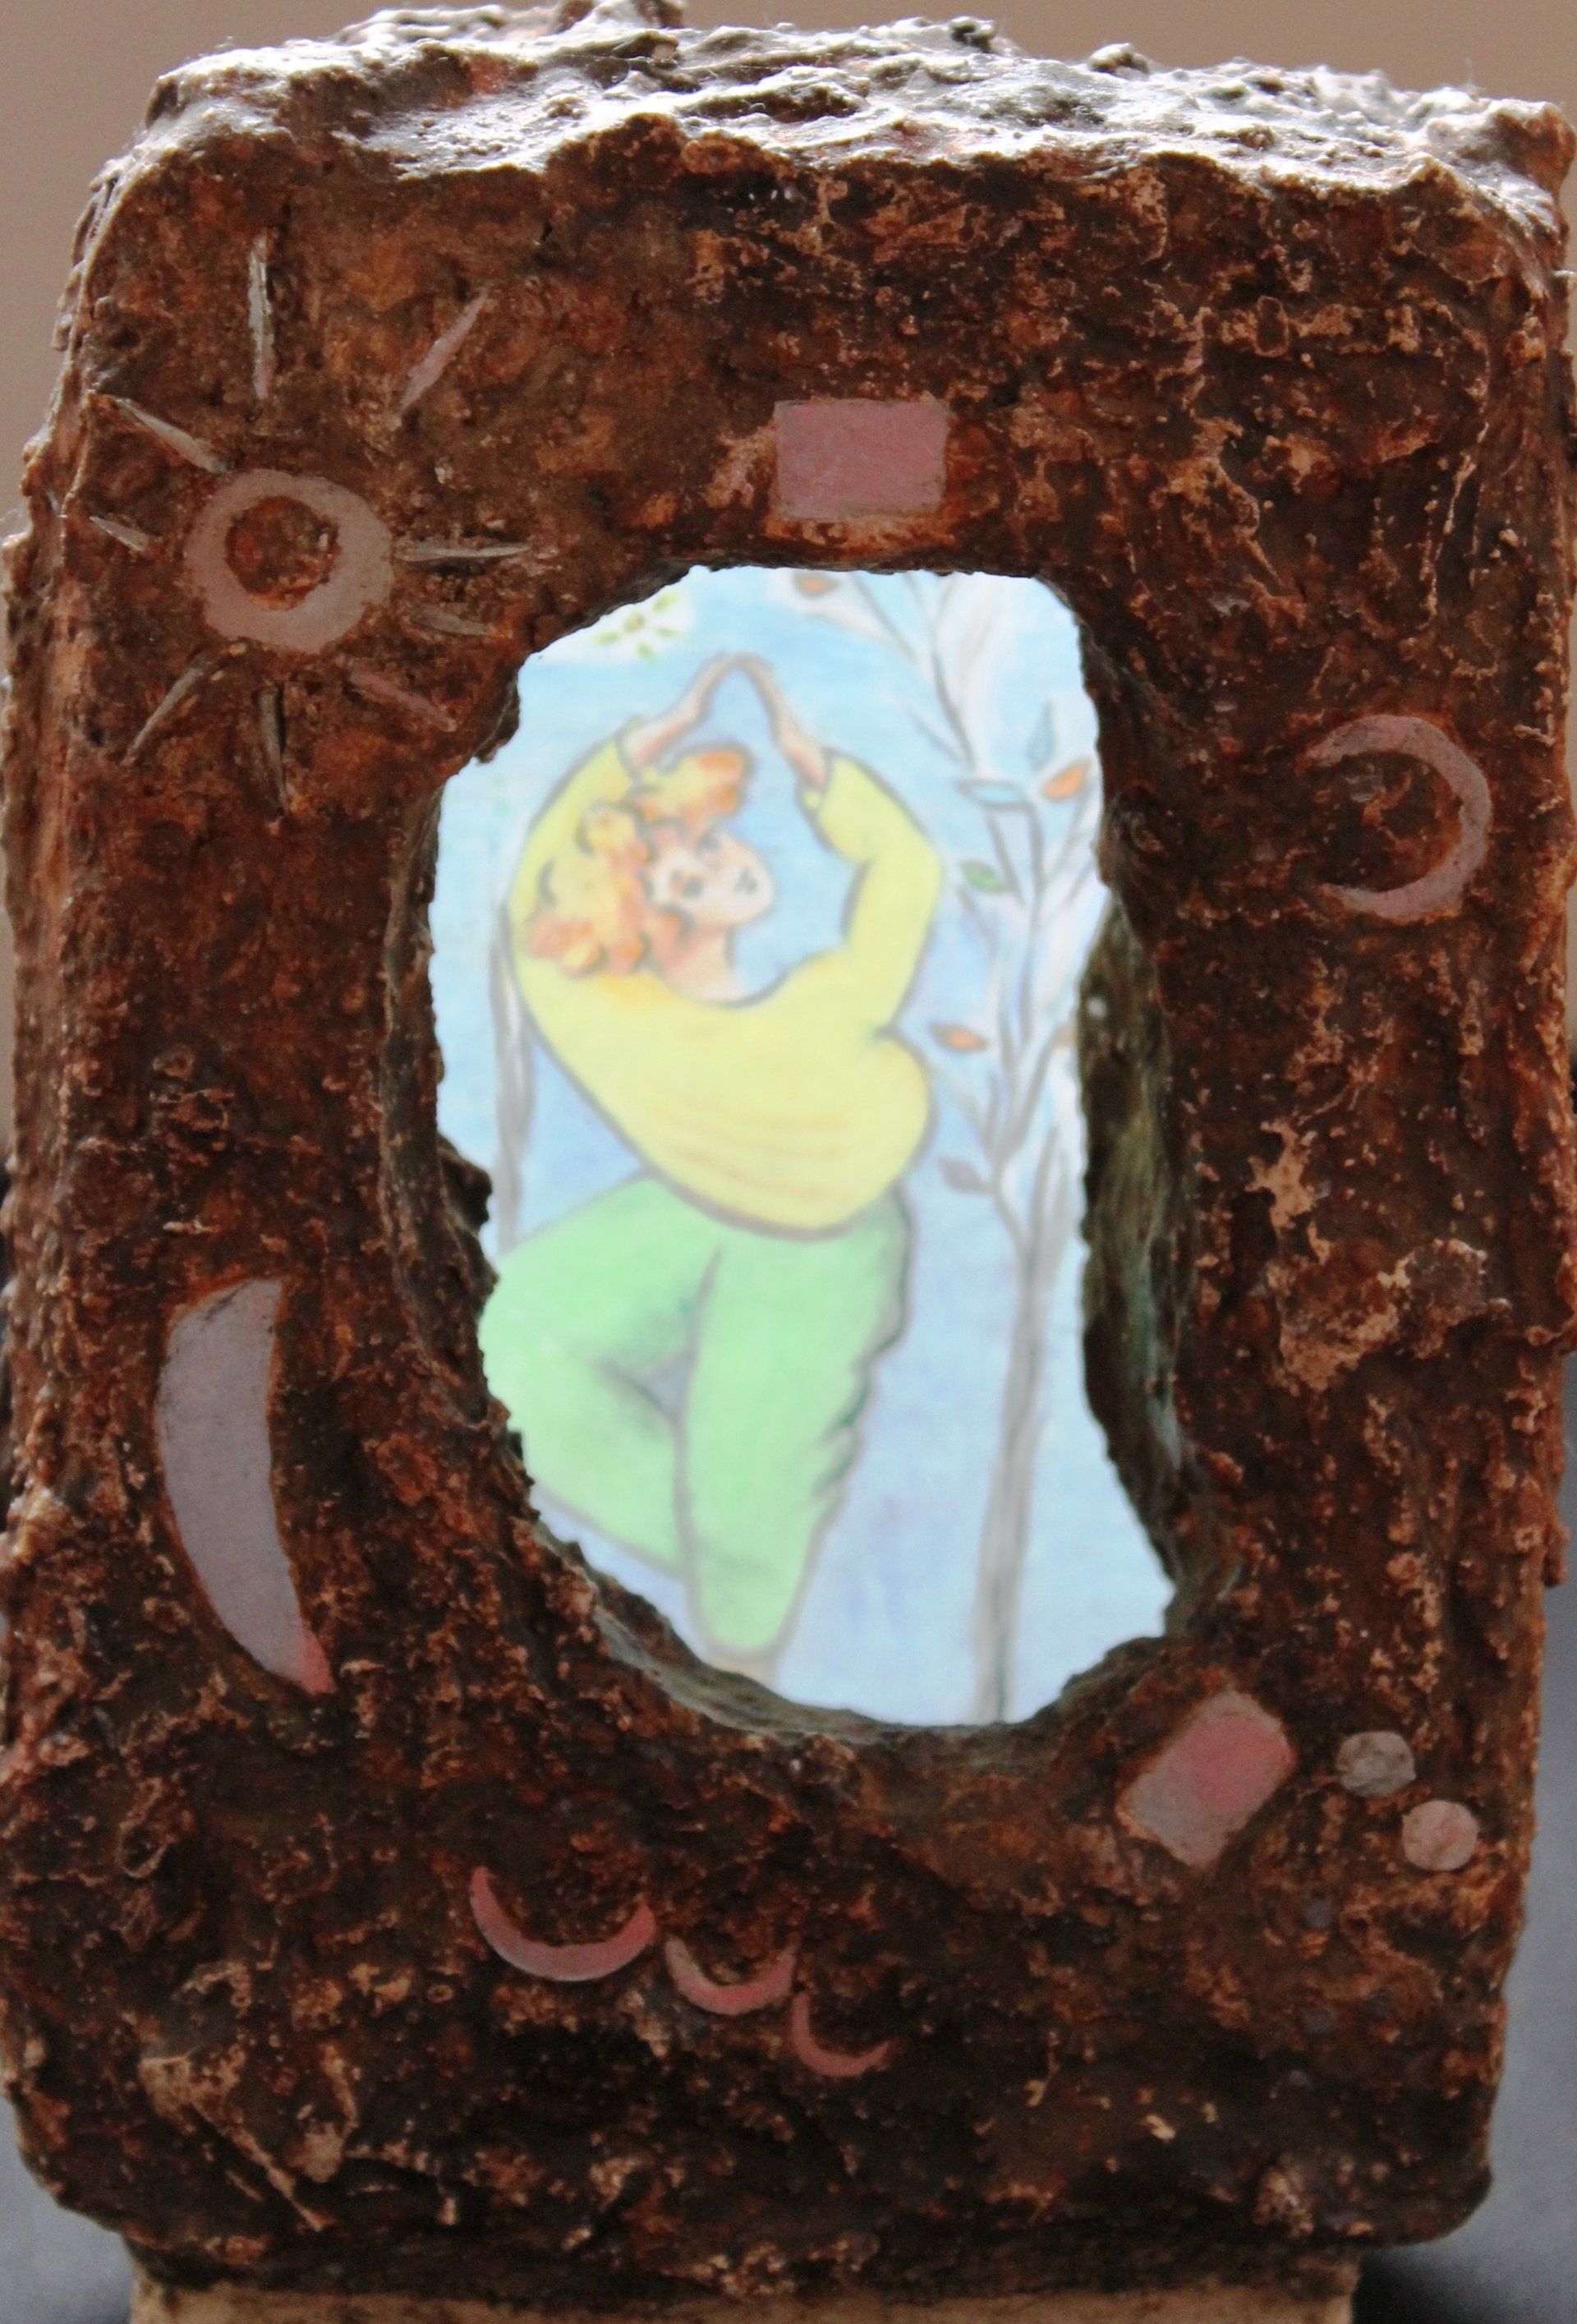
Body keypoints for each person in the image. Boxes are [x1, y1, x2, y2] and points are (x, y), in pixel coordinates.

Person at [479, 652, 943, 1677]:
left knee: (747, 1508)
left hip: (821, 1250)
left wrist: (819, 774)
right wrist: (626, 754)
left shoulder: (830, 1002)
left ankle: (741, 1622)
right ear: (647, 926)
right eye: (685, 879)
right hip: (690, 1214)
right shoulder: (622, 1021)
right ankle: (721, 1551)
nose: (720, 864)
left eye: (706, 845)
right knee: (510, 1344)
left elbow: (904, 874)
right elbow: (538, 917)